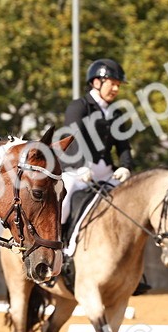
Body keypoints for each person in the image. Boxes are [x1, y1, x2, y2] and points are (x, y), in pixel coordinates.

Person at [48, 57, 151, 295]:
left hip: (105, 171)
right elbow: (73, 137)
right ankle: (57, 255)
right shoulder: (79, 106)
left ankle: (131, 269)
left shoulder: (116, 112)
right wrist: (82, 165)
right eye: (112, 83)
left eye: (118, 84)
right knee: (62, 203)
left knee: (130, 205)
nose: (116, 88)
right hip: (77, 169)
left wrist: (126, 166)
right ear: (96, 81)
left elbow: (124, 145)